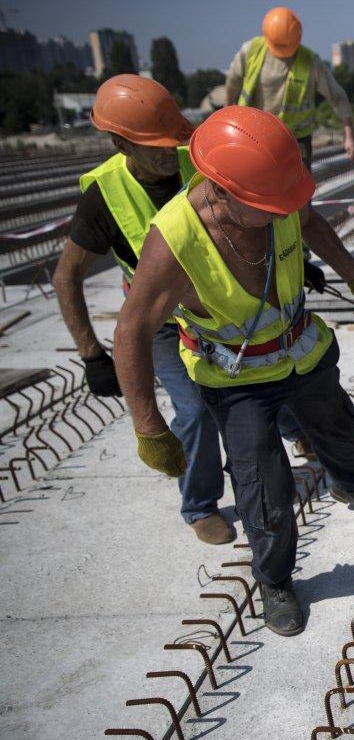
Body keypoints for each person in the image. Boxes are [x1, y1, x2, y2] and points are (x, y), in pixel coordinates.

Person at [113, 106, 354, 637]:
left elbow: (309, 220)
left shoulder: (274, 193)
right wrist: (148, 428)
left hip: (302, 354)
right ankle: (275, 581)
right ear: (221, 191)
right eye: (270, 206)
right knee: (264, 483)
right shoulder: (176, 239)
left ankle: (349, 484)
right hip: (235, 380)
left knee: (339, 431)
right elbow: (130, 331)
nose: (285, 210)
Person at [52, 75, 234, 545]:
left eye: (171, 138)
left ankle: (291, 438)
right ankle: (199, 505)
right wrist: (92, 354)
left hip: (215, 305)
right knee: (194, 411)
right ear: (119, 143)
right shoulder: (103, 198)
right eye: (153, 144)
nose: (168, 150)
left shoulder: (192, 163)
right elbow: (65, 276)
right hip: (162, 324)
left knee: (260, 381)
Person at [225, 6, 354, 167]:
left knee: (296, 188)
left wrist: (350, 136)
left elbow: (338, 97)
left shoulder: (310, 62)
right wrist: (227, 121)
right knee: (255, 186)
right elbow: (232, 83)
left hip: (296, 139)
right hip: (253, 135)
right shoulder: (251, 51)